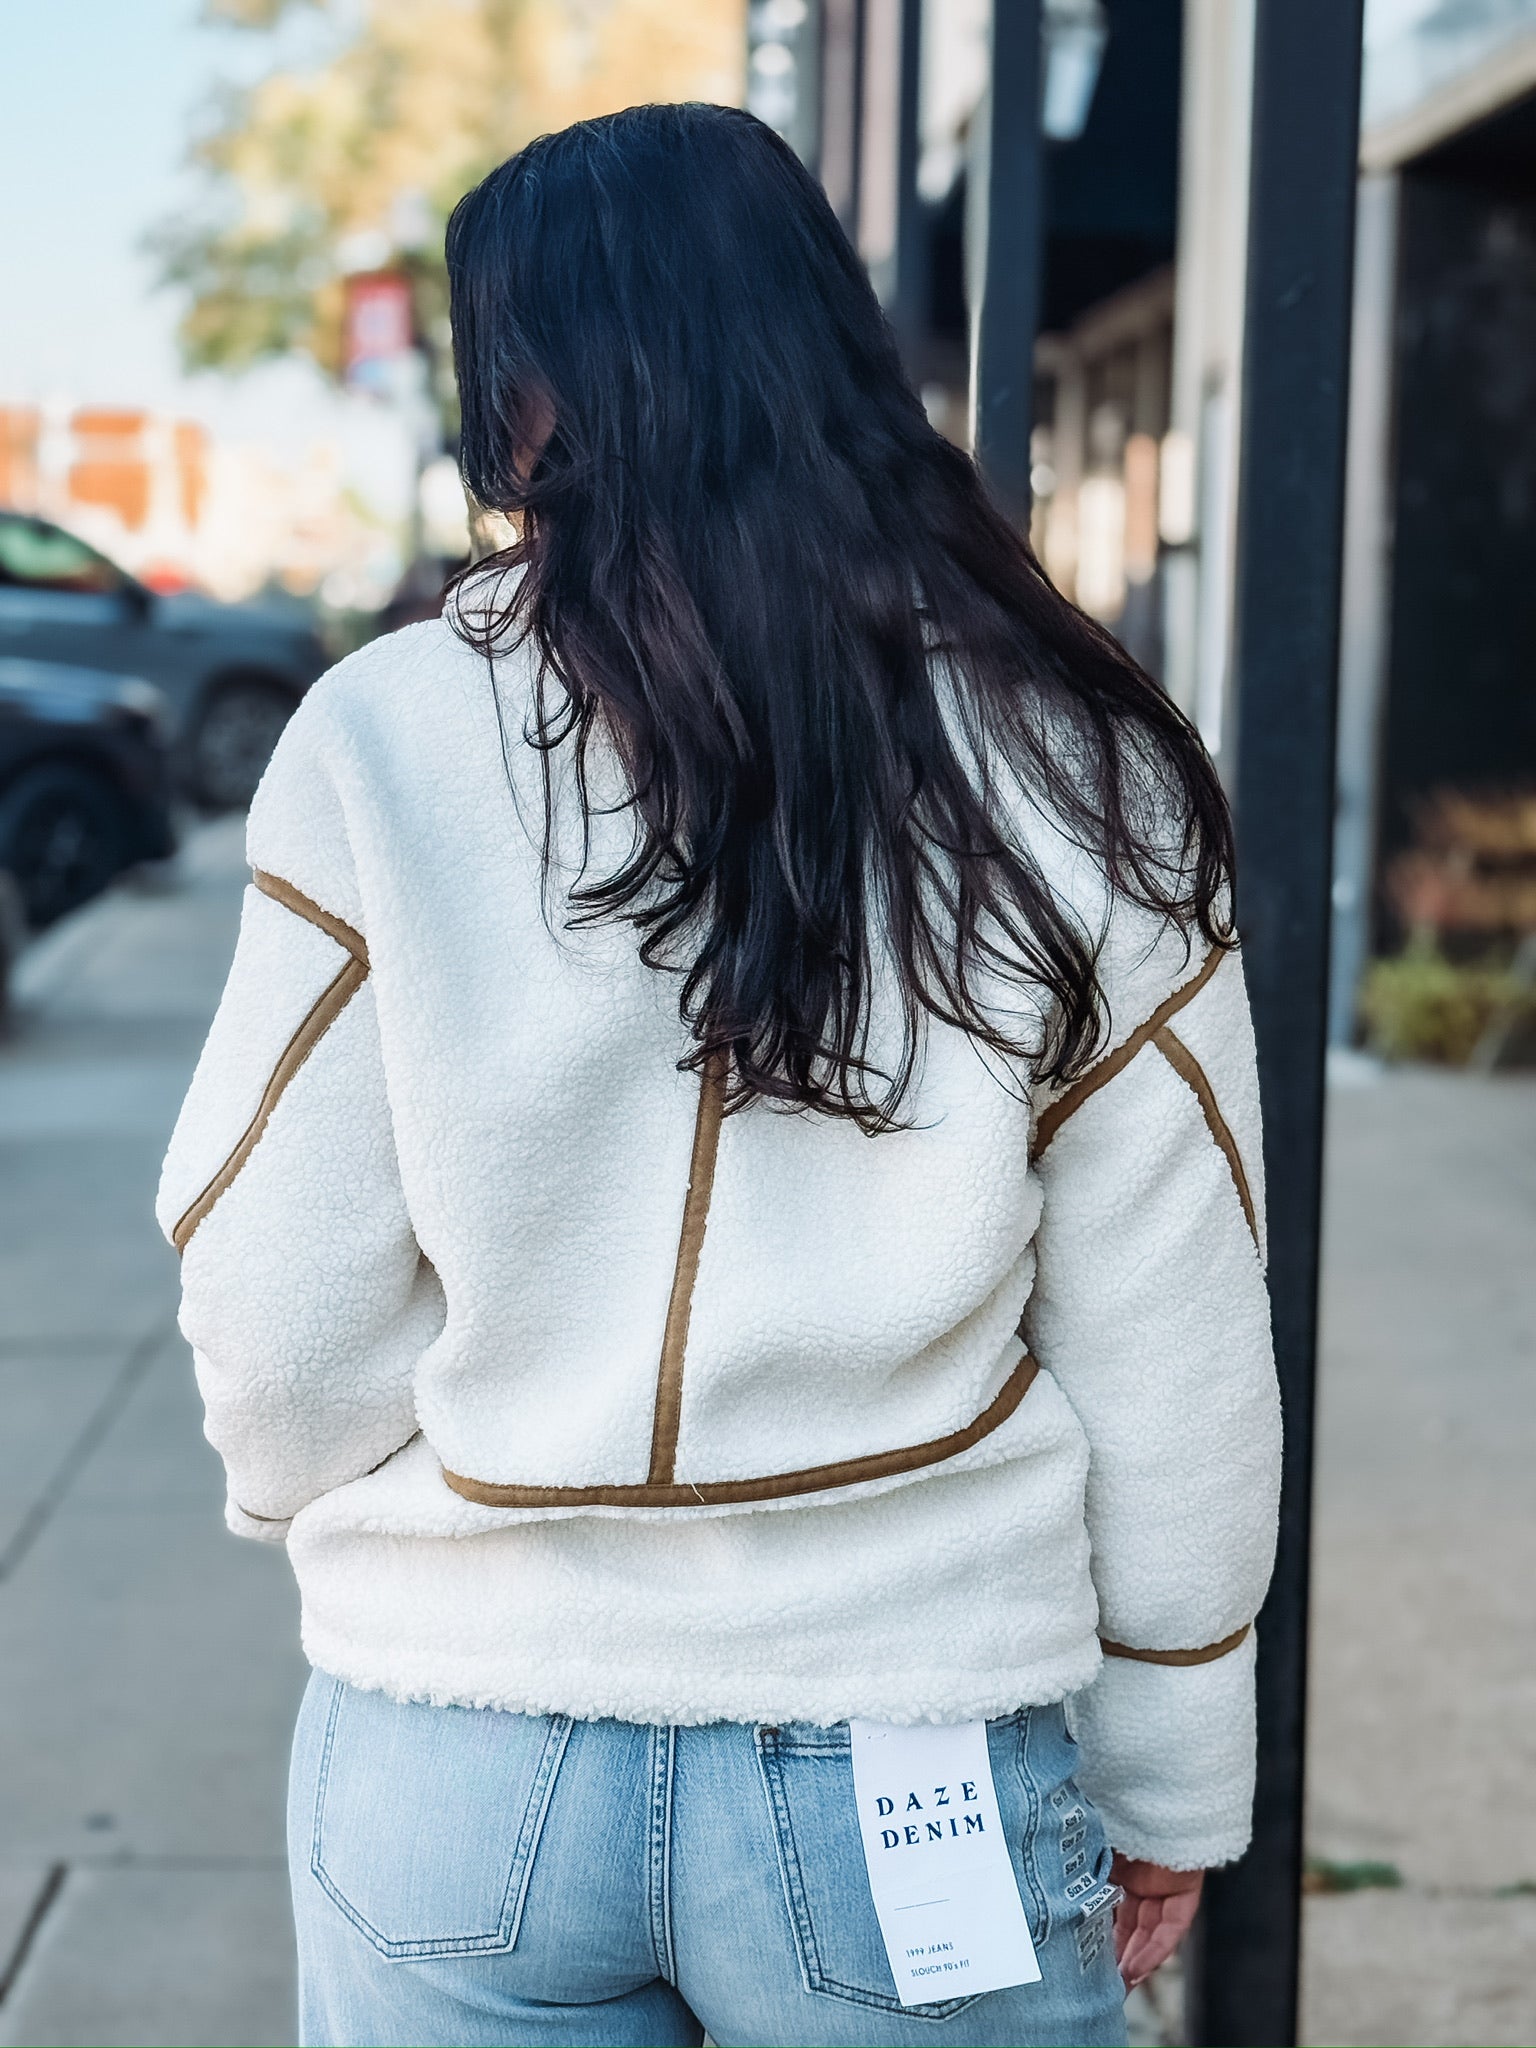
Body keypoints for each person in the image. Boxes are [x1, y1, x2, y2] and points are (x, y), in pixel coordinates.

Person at [158, 102, 1280, 2048]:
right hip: (904, 1753)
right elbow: (1175, 1336)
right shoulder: (1075, 754)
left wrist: (333, 1500)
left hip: (460, 1749)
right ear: (826, 343)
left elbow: (274, 1288)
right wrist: (1178, 1754)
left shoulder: (387, 736)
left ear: (518, 396)